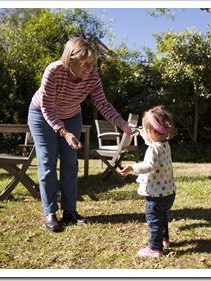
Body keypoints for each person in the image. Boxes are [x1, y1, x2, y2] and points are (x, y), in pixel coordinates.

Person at [28, 37, 135, 232]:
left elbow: (102, 104)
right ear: (71, 59)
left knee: (70, 162)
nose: (90, 68)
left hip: (71, 115)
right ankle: (50, 214)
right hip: (42, 115)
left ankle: (69, 211)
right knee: (48, 162)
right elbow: (47, 107)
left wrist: (123, 124)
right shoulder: (54, 71)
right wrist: (64, 132)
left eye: (92, 62)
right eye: (85, 63)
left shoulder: (92, 78)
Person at [120, 105, 177, 257]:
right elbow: (150, 139)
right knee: (161, 216)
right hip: (168, 193)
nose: (142, 133)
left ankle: (155, 247)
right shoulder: (164, 145)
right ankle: (164, 239)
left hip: (155, 194)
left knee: (154, 220)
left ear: (151, 132)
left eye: (144, 130)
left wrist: (132, 167)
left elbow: (149, 166)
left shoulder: (153, 148)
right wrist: (140, 131)